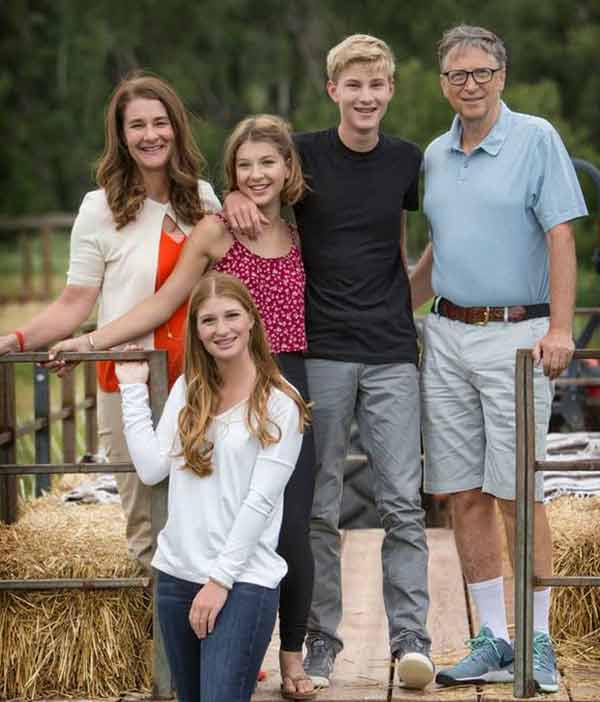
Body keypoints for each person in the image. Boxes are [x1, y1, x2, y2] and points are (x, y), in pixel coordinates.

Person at [50, 115, 317, 699]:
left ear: (289, 169)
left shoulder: (300, 233)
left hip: (286, 374)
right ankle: (218, 621)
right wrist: (93, 341)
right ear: (231, 175)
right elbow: (167, 300)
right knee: (213, 496)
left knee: (293, 524)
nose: (256, 174)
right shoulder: (219, 229)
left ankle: (292, 656)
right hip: (222, 375)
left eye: (268, 162)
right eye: (244, 165)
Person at [224, 35, 433, 690]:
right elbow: (251, 175)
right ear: (333, 90)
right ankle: (321, 638)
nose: (366, 96)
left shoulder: (408, 161)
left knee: (403, 500)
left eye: (377, 85)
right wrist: (225, 196)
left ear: (390, 91)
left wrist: (411, 293)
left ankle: (411, 642)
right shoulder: (306, 155)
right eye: (354, 85)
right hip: (320, 353)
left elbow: (418, 238)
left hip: (393, 351)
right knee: (319, 505)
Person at [409, 25, 587, 693]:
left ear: (502, 77)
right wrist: (389, 304)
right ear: (442, 85)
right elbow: (439, 253)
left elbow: (561, 236)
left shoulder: (536, 138)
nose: (471, 84)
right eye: (457, 75)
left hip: (518, 337)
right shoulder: (433, 155)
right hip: (446, 336)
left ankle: (537, 642)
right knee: (463, 493)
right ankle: (493, 638)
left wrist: (561, 327)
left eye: (482, 72)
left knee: (517, 492)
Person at [0, 73, 220, 572]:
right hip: (129, 381)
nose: (151, 135)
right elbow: (75, 303)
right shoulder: (100, 209)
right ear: (121, 136)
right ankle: (154, 647)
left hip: (201, 379)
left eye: (160, 123)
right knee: (146, 525)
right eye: (137, 125)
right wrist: (16, 339)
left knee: (204, 518)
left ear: (177, 129)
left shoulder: (205, 199)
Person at [115, 272, 310, 702]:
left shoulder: (281, 401)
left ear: (252, 321)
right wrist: (132, 390)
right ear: (197, 331)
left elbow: (260, 502)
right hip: (178, 574)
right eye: (208, 321)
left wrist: (219, 582)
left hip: (242, 581)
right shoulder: (190, 389)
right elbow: (151, 469)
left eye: (232, 316)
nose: (222, 329)